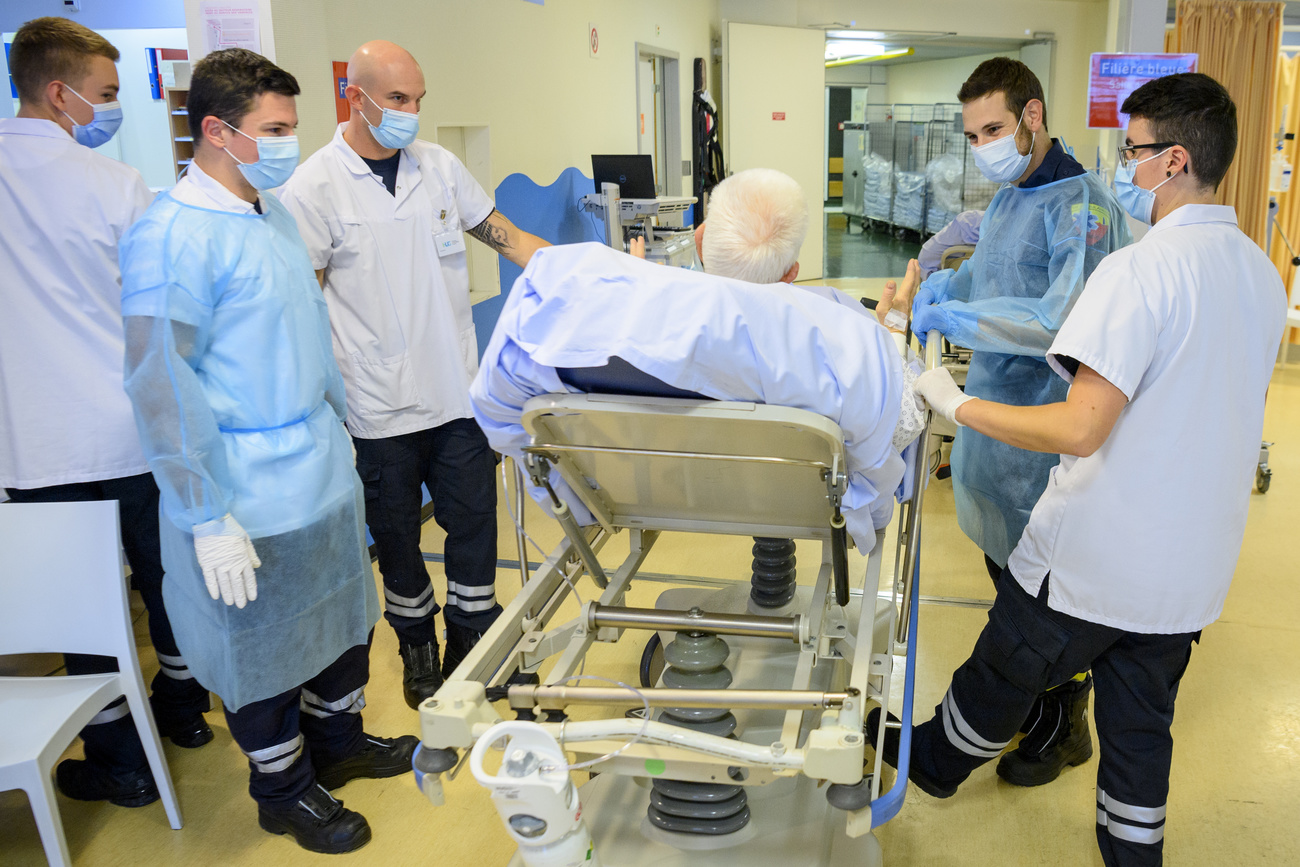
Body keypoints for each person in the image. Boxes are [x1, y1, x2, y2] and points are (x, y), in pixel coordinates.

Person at [892, 72, 1283, 867]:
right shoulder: (1259, 273)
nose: (1120, 169)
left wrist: (952, 402)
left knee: (999, 672)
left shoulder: (1139, 272)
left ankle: (927, 763)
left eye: (1132, 151)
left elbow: (1080, 425)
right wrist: (944, 287)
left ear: (1173, 160)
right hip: (1189, 570)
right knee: (1141, 737)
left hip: (1101, 555)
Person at [119, 48, 416, 854]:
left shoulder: (269, 213)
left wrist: (343, 436)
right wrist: (203, 511)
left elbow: (305, 342)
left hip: (318, 469)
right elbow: (159, 382)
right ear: (217, 130)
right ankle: (282, 789)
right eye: (274, 129)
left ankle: (339, 744)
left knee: (337, 623)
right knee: (263, 648)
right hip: (243, 488)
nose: (289, 143)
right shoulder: (171, 237)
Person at [278, 41, 551, 709]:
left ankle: (471, 641)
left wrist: (589, 275)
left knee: (474, 527)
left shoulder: (440, 167)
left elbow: (507, 236)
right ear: (357, 95)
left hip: (457, 393)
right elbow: (302, 306)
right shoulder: (312, 187)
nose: (412, 113)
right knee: (397, 539)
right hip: (376, 407)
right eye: (398, 100)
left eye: (418, 99)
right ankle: (418, 648)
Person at [470, 169, 926, 553]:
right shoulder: (837, 333)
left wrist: (641, 281)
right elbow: (898, 422)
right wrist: (893, 328)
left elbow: (500, 408)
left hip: (648, 493)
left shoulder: (580, 314)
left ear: (700, 239)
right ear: (791, 273)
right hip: (799, 501)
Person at [0, 16, 213, 810]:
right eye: (108, 94)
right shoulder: (119, 186)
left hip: (34, 444)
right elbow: (160, 306)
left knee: (81, 613)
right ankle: (186, 714)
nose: (114, 109)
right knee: (166, 586)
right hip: (129, 430)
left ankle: (120, 759)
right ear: (60, 93)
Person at [901, 57, 1131, 787]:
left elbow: (1060, 320)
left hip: (1045, 436)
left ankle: (1065, 723)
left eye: (994, 128)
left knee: (1041, 604)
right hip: (995, 433)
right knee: (1008, 577)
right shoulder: (1008, 198)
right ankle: (1040, 710)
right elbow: (987, 279)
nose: (984, 146)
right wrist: (944, 285)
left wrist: (955, 314)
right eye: (973, 134)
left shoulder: (1082, 207)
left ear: (1033, 115)